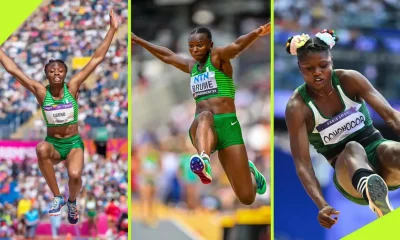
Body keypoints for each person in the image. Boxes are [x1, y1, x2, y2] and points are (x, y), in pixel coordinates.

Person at [0, 10, 120, 225]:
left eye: (60, 71)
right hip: (54, 144)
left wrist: (112, 29)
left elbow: (97, 59)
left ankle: (72, 202)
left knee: (74, 176)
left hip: (73, 143)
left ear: (65, 74)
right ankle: (57, 197)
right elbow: (13, 69)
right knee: (40, 149)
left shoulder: (73, 87)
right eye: (52, 71)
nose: (56, 73)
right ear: (47, 75)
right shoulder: (40, 92)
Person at [131, 23, 270, 205]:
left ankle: (249, 169)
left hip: (228, 127)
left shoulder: (218, 58)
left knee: (247, 197)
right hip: (202, 128)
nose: (195, 50)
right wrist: (139, 41)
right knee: (205, 115)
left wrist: (258, 32)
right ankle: (203, 160)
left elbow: (236, 46)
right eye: (191, 47)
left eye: (199, 46)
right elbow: (167, 55)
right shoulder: (191, 66)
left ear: (210, 45)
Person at [284, 29, 400, 229]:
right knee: (353, 147)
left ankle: (379, 193)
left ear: (332, 62)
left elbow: (391, 116)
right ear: (299, 68)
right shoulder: (297, 107)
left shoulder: (349, 80)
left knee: (392, 150)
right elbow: (303, 163)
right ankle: (373, 194)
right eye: (309, 68)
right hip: (348, 172)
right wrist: (322, 204)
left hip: (379, 156)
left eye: (323, 66)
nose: (317, 72)